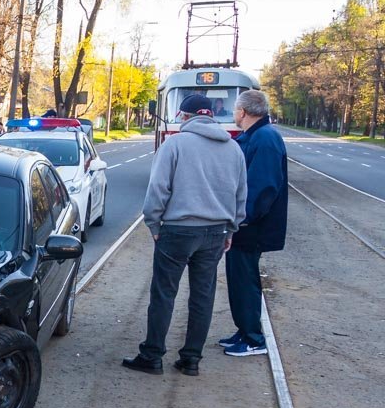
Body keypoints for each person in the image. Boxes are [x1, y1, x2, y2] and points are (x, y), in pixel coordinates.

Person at [122, 93, 247, 377]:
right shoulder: (234, 149)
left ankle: (152, 355)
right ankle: (191, 359)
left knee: (164, 293)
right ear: (212, 116)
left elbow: (158, 189)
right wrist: (232, 228)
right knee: (203, 296)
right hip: (216, 232)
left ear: (185, 117)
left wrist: (154, 224)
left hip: (177, 231)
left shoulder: (175, 144)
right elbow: (241, 195)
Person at [221, 90, 288, 357]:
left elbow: (263, 186)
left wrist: (243, 218)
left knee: (245, 280)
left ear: (243, 112)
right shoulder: (257, 136)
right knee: (239, 279)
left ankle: (253, 338)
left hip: (252, 226)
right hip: (248, 224)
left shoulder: (265, 138)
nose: (234, 114)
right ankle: (244, 330)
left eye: (235, 109)